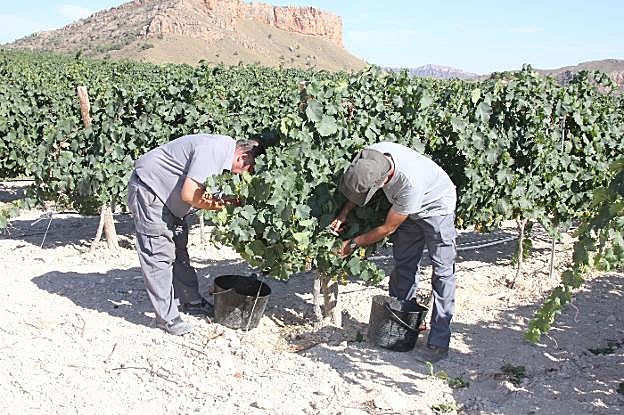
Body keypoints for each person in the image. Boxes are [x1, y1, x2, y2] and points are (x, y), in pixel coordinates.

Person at [330, 142, 457, 362]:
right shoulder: (373, 157)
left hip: (437, 209)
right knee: (404, 265)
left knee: (443, 274)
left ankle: (438, 342)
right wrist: (343, 213)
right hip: (407, 209)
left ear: (384, 180)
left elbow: (388, 228)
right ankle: (403, 324)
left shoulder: (410, 185)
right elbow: (359, 184)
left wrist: (351, 244)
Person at [127, 134, 261, 335]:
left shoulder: (222, 150)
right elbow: (189, 195)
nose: (243, 174)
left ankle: (191, 301)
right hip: (151, 192)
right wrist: (221, 206)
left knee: (179, 249)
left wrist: (228, 201)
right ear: (243, 156)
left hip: (169, 199)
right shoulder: (215, 150)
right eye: (248, 168)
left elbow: (201, 190)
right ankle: (167, 318)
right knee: (158, 255)